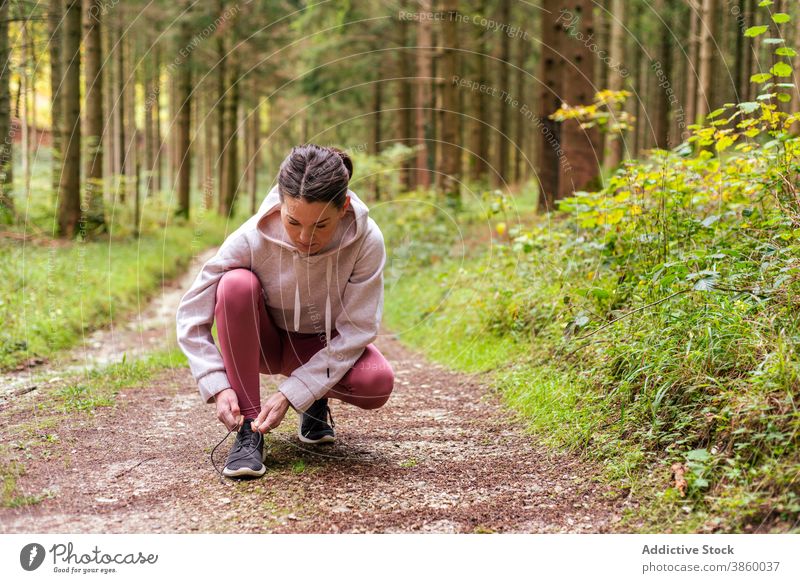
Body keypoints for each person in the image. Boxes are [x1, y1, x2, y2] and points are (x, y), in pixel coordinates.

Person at [175, 144, 394, 478]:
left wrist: (296, 393)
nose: (305, 237)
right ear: (280, 203)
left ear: (344, 207)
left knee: (377, 381)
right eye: (293, 222)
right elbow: (191, 316)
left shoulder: (367, 240)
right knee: (234, 284)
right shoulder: (251, 237)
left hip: (321, 344)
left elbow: (357, 330)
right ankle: (250, 430)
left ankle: (314, 400)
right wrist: (216, 384)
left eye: (321, 225)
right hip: (266, 344)